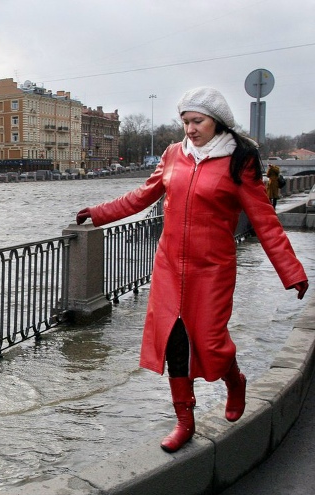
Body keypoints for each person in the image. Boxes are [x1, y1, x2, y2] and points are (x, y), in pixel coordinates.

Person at [75, 86, 309, 453]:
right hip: (169, 267)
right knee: (174, 343)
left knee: (213, 344)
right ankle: (185, 420)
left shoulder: (239, 161)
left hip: (212, 269)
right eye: (184, 121)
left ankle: (235, 382)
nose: (190, 129)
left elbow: (265, 220)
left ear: (217, 121)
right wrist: (99, 213)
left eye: (196, 121)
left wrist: (291, 270)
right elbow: (142, 195)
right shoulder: (172, 155)